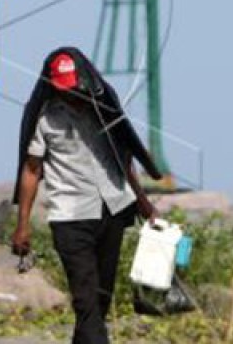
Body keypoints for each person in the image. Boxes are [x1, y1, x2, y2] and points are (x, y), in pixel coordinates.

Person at [12, 46, 163, 344]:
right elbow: (31, 171)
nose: (70, 95)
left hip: (114, 209)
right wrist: (22, 224)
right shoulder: (44, 119)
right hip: (70, 218)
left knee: (100, 302)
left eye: (73, 88)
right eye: (62, 90)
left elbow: (124, 160)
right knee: (86, 302)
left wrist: (146, 207)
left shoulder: (103, 108)